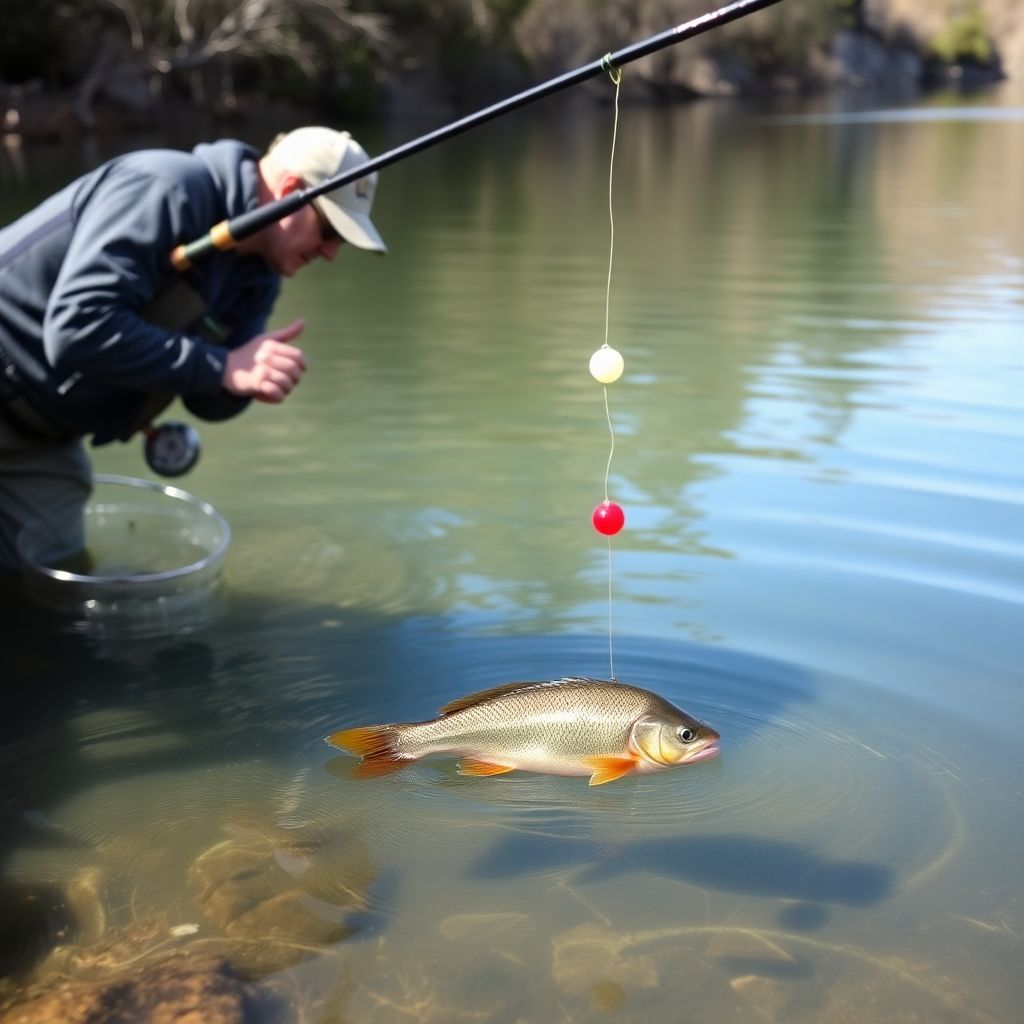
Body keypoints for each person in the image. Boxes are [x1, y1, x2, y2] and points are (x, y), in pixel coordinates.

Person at [0, 126, 386, 569]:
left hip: (45, 441)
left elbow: (206, 398)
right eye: (331, 231)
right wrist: (222, 366)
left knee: (48, 583)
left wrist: (248, 381)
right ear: (290, 192)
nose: (332, 253)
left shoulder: (260, 277)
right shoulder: (167, 186)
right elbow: (77, 326)